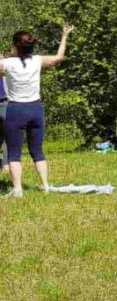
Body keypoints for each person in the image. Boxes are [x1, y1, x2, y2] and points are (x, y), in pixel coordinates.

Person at [0, 24, 74, 198]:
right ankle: (46, 185)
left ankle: (18, 189)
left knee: (14, 153)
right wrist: (64, 36)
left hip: (16, 110)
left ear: (14, 46)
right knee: (37, 151)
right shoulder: (37, 60)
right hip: (35, 109)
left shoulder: (7, 63)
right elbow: (59, 57)